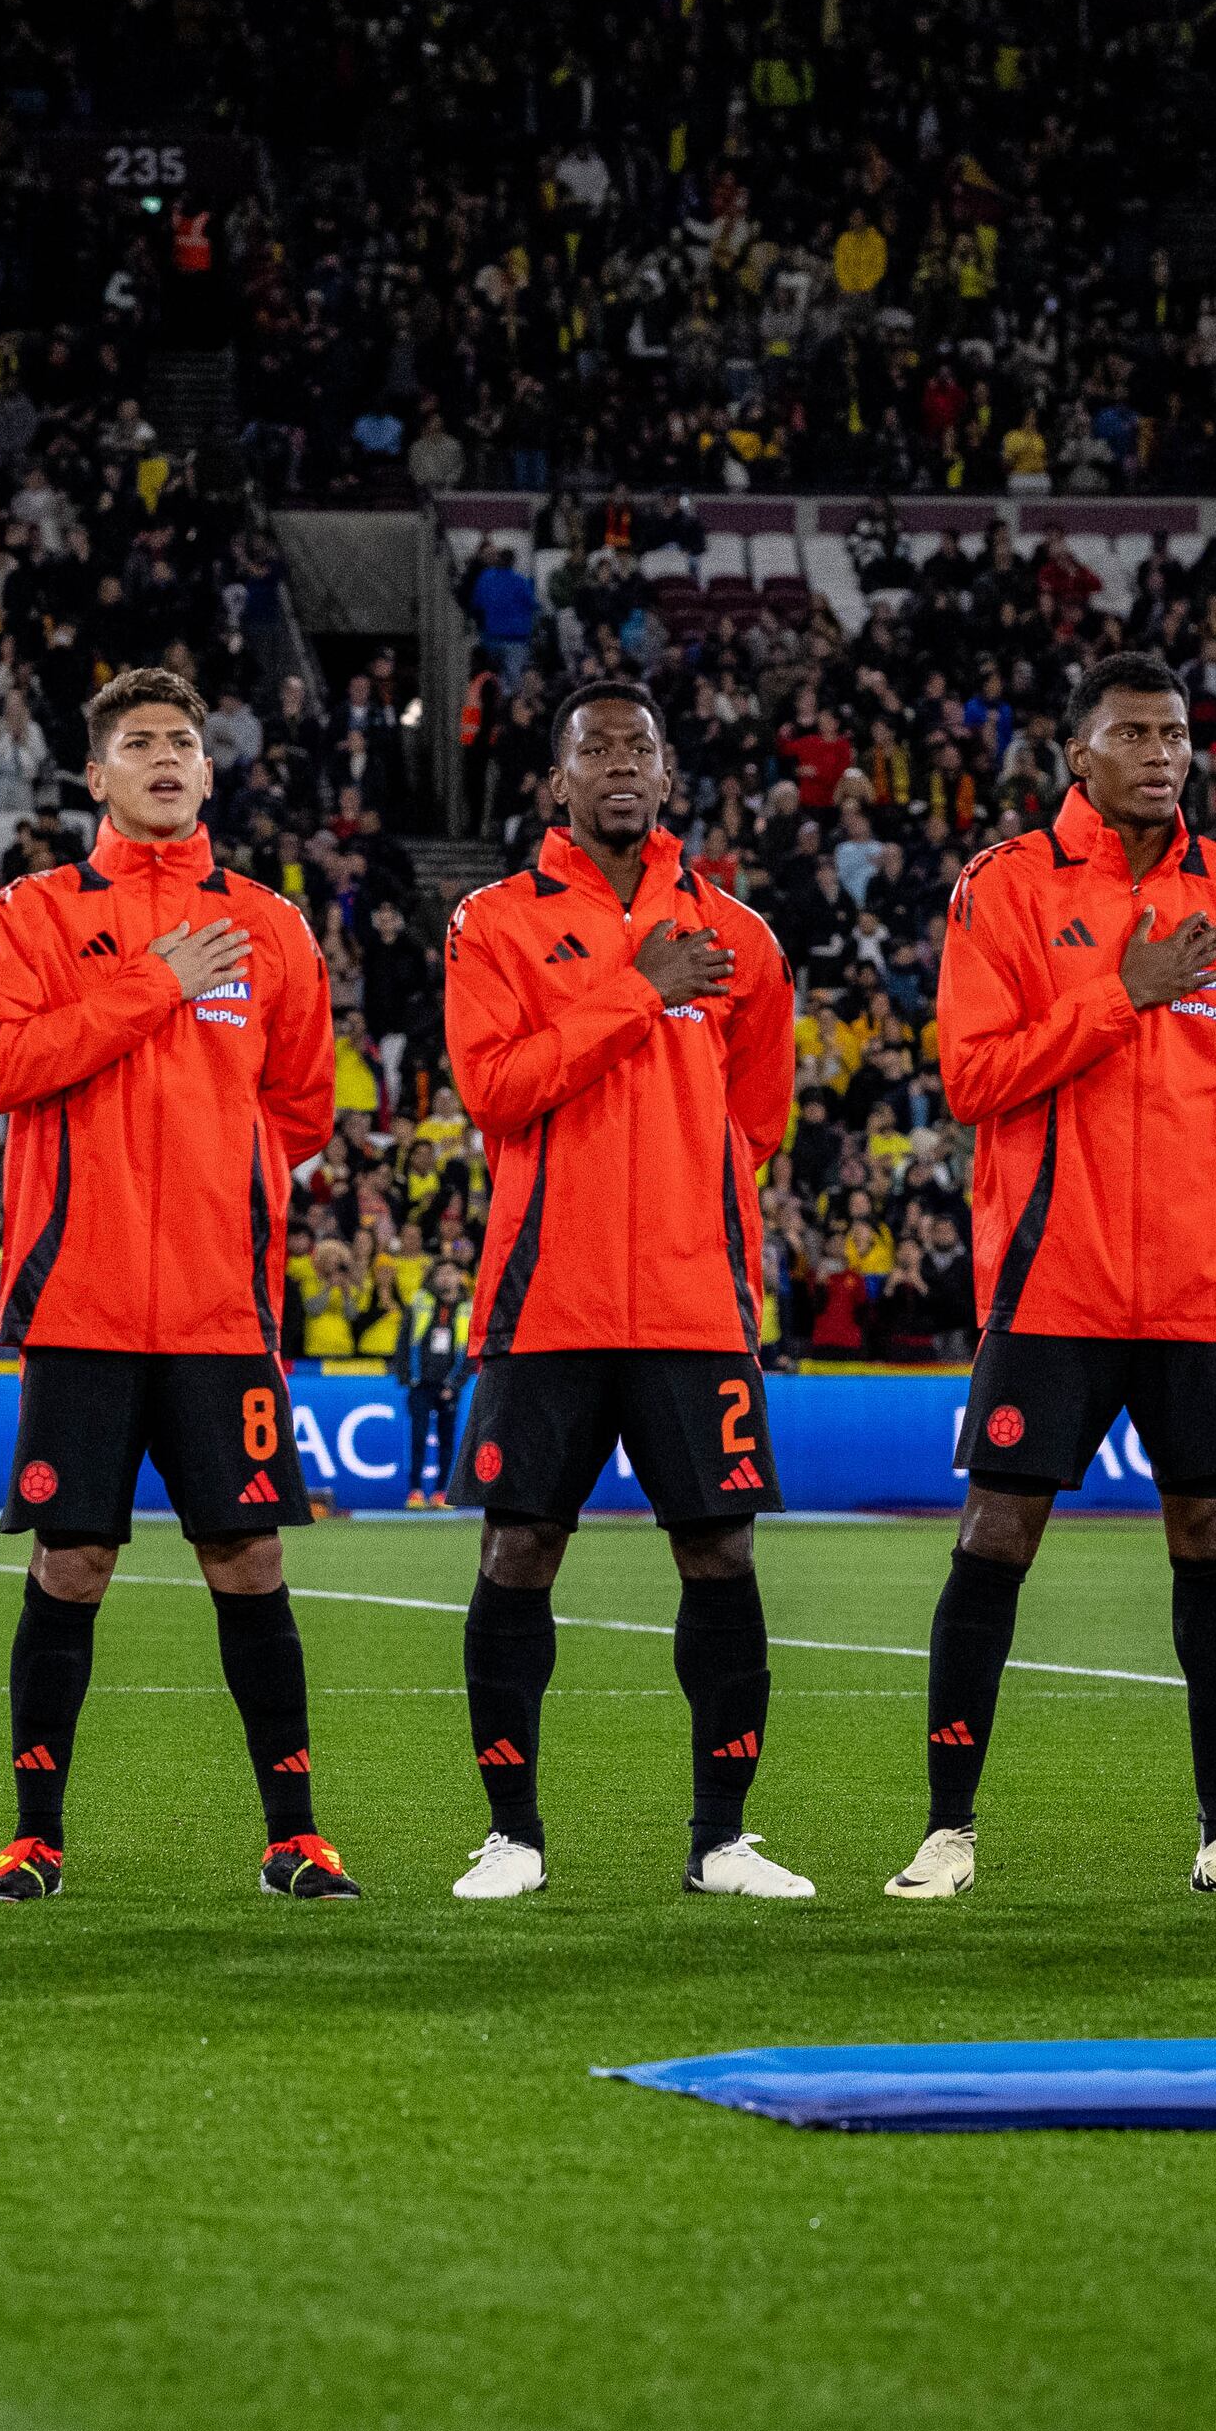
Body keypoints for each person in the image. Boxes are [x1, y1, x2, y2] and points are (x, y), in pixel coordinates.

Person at [898, 653, 1216, 1900]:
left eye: (1175, 732)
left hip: (1197, 1280)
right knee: (997, 1530)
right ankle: (946, 1828)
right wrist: (1117, 997)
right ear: (1074, 755)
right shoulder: (1005, 885)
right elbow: (972, 1077)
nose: (1159, 752)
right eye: (1130, 731)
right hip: (1051, 1276)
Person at [0, 665, 356, 1902]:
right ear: (96, 776)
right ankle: (34, 1836)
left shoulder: (273, 926)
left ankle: (294, 1835)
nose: (165, 757)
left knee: (248, 1563)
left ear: (207, 765)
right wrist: (154, 982)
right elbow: (8, 1067)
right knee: (71, 1565)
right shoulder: (27, 913)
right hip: (76, 1307)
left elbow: (299, 1109)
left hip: (218, 1311)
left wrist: (208, 1191)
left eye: (182, 739)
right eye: (138, 742)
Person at [438, 677, 809, 1902]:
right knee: (521, 1546)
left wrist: (680, 1198)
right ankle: (511, 1832)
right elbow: (494, 1090)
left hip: (693, 1302)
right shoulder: (490, 920)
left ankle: (722, 1838)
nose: (617, 763)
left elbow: (755, 1118)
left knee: (718, 1550)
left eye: (637, 747)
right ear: (553, 780)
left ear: (665, 775)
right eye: (592, 747)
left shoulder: (740, 934)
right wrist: (636, 989)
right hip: (547, 1297)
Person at [394, 1284, 467, 1511]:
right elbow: (404, 1339)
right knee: (418, 1436)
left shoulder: (467, 1309)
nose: (447, 1278)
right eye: (442, 1273)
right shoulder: (420, 1305)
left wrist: (454, 1384)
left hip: (448, 1385)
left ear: (459, 1277)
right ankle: (415, 1491)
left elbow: (472, 1349)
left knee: (447, 1439)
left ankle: (442, 1491)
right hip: (421, 1384)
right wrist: (407, 1377)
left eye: (451, 1273)